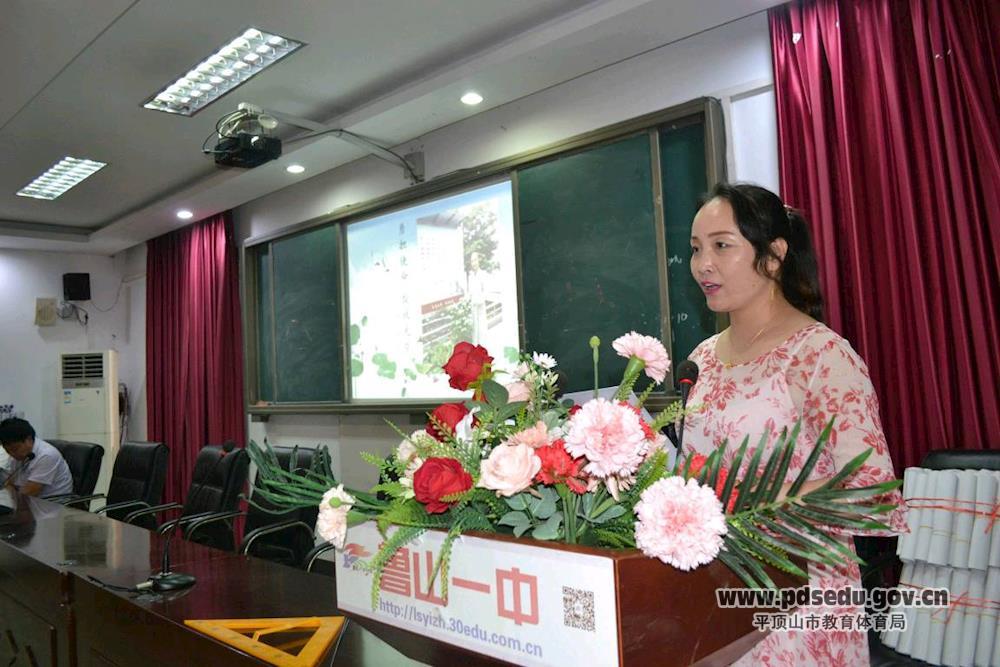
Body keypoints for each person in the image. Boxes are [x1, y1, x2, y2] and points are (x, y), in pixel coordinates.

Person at [684, 183, 905, 666]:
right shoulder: (702, 358)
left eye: (722, 245)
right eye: (696, 249)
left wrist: (755, 506)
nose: (703, 264)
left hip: (801, 599)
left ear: (774, 254)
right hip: (715, 595)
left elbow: (872, 491)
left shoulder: (821, 355)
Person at [0, 418, 74, 497]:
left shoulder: (47, 455)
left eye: (15, 449)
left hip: (53, 501)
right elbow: (10, 483)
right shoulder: (18, 454)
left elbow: (30, 492)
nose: (12, 454)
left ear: (29, 439)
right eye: (8, 450)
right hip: (29, 498)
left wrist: (7, 499)